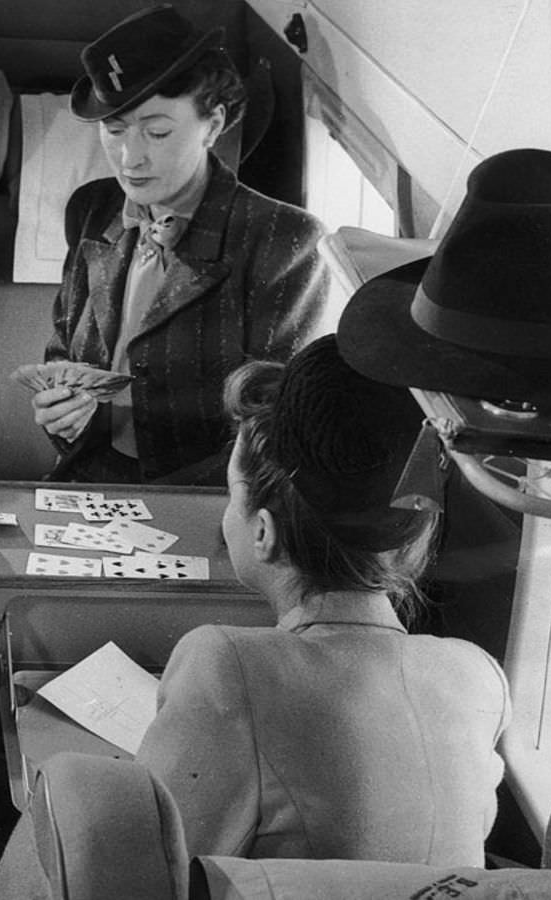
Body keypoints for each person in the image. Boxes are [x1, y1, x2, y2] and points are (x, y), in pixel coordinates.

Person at [134, 335, 510, 864]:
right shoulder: (478, 675)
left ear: (263, 533)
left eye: (231, 495)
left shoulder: (226, 665)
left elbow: (146, 864)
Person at [32, 5, 328, 485]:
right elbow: (63, 349)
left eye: (158, 131)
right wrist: (61, 407)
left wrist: (163, 507)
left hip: (212, 498)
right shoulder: (92, 208)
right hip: (88, 477)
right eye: (115, 128)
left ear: (213, 125)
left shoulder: (284, 240)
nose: (131, 158)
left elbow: (273, 427)